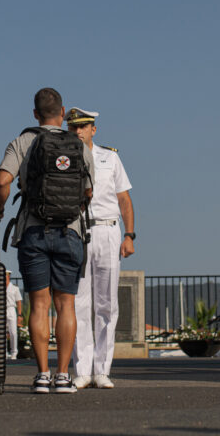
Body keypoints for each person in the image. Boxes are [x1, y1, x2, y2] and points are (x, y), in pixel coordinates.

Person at [0, 87, 94, 394]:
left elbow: (1, 182)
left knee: (39, 304)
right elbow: (88, 191)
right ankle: (64, 375)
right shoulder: (78, 144)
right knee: (66, 306)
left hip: (33, 230)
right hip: (70, 231)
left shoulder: (22, 141)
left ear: (35, 114)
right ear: (63, 114)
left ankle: (42, 376)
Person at [65, 107, 134, 389]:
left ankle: (102, 369)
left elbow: (124, 199)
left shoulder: (110, 157)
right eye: (73, 127)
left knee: (107, 304)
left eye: (83, 126)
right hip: (77, 229)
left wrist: (129, 235)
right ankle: (82, 369)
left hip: (107, 229)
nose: (78, 131)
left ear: (94, 129)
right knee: (79, 303)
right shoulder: (64, 160)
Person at [5, 271, 23, 360]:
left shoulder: (14, 288)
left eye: (6, 275)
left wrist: (20, 314)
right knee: (2, 332)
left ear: (9, 276)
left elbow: (19, 301)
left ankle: (14, 352)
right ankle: (4, 352)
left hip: (11, 309)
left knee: (13, 332)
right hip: (2, 309)